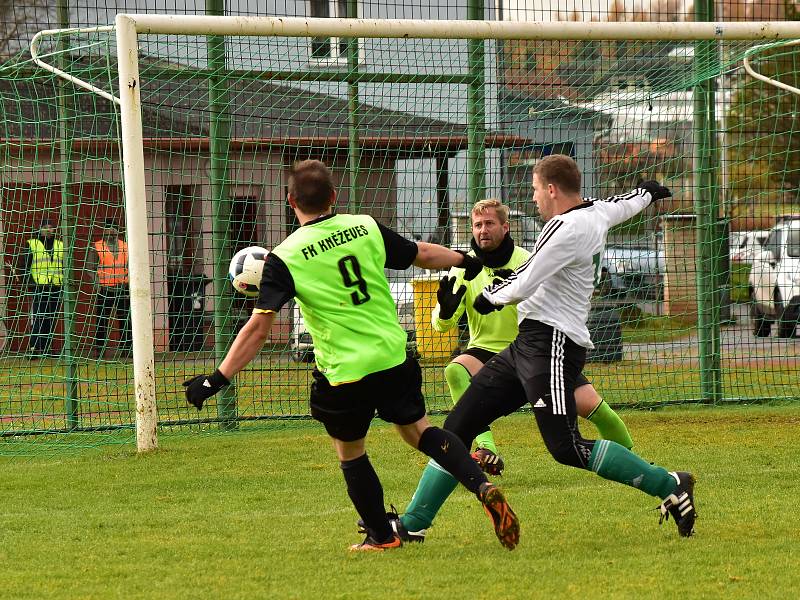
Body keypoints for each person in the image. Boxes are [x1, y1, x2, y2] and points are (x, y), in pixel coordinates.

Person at [182, 160, 520, 552]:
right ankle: (483, 486)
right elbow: (423, 254)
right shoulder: (364, 226)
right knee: (423, 434)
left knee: (351, 453)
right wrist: (464, 259)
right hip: (393, 358)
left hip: (345, 374)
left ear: (290, 201)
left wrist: (216, 379)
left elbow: (258, 329)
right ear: (333, 197)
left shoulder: (284, 257)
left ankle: (380, 536)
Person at [409, 154, 696, 541]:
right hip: (528, 343)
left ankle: (669, 484)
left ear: (550, 189)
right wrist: (647, 192)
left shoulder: (565, 228)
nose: (533, 198)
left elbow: (527, 278)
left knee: (566, 447)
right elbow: (622, 204)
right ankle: (412, 525)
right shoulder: (593, 211)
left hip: (553, 345)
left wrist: (489, 297)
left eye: (533, 189)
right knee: (457, 429)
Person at [390, 198, 635, 542]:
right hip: (488, 355)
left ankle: (637, 465)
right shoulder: (462, 268)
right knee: (456, 370)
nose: (482, 230)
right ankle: (484, 449)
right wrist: (445, 311)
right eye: (477, 225)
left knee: (599, 412)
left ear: (505, 227)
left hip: (536, 353)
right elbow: (442, 328)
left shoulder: (530, 259)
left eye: (489, 223)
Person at [17, 220, 64, 359]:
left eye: (51, 227)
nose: (49, 230)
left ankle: (46, 347)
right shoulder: (32, 243)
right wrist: (28, 282)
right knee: (39, 317)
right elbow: (25, 264)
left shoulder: (61, 245)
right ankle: (34, 348)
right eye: (45, 228)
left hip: (56, 285)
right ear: (40, 229)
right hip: (39, 286)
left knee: (51, 318)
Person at [88, 219, 132, 358]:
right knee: (102, 320)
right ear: (104, 230)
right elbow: (90, 267)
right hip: (105, 289)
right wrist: (97, 284)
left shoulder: (126, 246)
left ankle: (128, 348)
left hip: (122, 287)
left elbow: (132, 266)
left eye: (114, 228)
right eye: (109, 228)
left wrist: (130, 283)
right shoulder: (97, 247)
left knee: (126, 320)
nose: (112, 231)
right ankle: (100, 350)